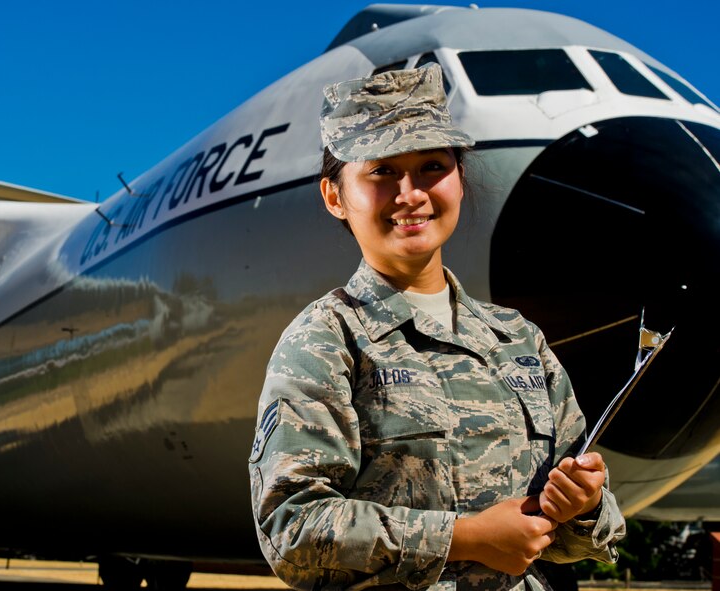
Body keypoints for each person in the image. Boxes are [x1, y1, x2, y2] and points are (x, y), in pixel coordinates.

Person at [248, 64, 625, 591]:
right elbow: (291, 529)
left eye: (431, 166)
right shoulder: (327, 338)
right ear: (335, 196)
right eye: (381, 171)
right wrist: (465, 537)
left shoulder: (518, 340)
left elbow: (580, 537)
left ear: (459, 179)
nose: (411, 193)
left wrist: (582, 507)